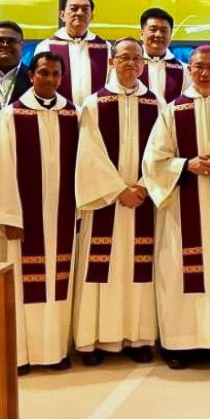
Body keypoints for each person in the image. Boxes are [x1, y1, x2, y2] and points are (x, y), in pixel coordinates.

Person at [143, 46, 210, 367]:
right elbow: (153, 160)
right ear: (189, 70)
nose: (204, 73)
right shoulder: (172, 111)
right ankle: (180, 345)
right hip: (181, 206)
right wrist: (186, 164)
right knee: (178, 272)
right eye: (198, 67)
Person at [0, 51, 80, 374]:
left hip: (63, 217)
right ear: (31, 76)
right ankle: (22, 354)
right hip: (24, 219)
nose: (50, 80)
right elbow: (1, 166)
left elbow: (83, 166)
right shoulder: (13, 115)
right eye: (43, 73)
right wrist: (8, 216)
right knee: (24, 287)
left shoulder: (74, 114)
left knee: (59, 283)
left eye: (56, 74)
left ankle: (55, 351)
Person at [73, 38, 161, 366]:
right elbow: (89, 154)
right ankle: (94, 339)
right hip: (106, 204)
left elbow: (161, 151)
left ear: (143, 64)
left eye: (136, 58)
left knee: (140, 270)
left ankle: (137, 337)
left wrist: (142, 185)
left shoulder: (156, 104)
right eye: (123, 57)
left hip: (142, 202)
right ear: (111, 62)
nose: (130, 63)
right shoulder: (94, 104)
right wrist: (116, 190)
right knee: (101, 269)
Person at [34, 0, 112, 106]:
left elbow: (112, 84)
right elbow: (39, 86)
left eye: (85, 9)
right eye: (73, 8)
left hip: (96, 116)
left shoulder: (105, 47)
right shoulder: (46, 47)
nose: (79, 13)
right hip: (57, 115)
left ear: (92, 16)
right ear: (62, 15)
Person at [140, 7, 186, 103]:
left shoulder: (184, 70)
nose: (158, 34)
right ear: (142, 34)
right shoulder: (127, 66)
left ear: (170, 35)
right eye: (153, 29)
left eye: (164, 30)